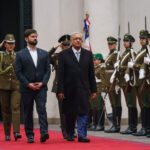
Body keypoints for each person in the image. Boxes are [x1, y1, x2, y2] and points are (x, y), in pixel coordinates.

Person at [57, 32, 97, 142]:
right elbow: (60, 75)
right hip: (69, 89)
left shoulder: (88, 54)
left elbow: (91, 74)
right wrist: (60, 90)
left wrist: (93, 90)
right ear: (71, 41)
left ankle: (82, 135)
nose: (78, 40)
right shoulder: (63, 55)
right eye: (75, 39)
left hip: (84, 88)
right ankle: (70, 133)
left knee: (84, 112)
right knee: (70, 113)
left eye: (80, 39)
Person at [15, 29, 50, 143]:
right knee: (28, 111)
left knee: (41, 109)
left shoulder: (44, 53)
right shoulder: (20, 54)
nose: (35, 38)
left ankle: (44, 132)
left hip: (41, 87)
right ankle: (30, 135)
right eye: (32, 36)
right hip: (27, 88)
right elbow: (18, 72)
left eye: (36, 36)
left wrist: (43, 82)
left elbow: (47, 70)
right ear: (26, 39)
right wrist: (27, 84)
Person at [48, 34, 74, 139]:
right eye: (64, 45)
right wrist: (54, 48)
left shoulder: (74, 56)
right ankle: (65, 131)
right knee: (63, 111)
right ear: (62, 45)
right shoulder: (56, 57)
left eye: (68, 45)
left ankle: (72, 130)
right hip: (60, 87)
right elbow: (46, 57)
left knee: (73, 110)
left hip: (73, 86)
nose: (67, 47)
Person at [127, 30, 150, 136]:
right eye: (140, 39)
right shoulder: (141, 51)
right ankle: (145, 127)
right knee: (143, 104)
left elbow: (144, 65)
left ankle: (146, 127)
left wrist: (134, 66)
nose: (141, 41)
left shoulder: (147, 51)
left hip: (145, 81)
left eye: (143, 39)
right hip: (138, 81)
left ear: (148, 40)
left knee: (145, 104)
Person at [0, 34, 21, 141]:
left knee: (15, 107)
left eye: (12, 43)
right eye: (8, 43)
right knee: (5, 110)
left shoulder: (18, 55)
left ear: (15, 44)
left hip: (16, 85)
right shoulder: (1, 54)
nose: (11, 45)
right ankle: (7, 133)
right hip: (3, 86)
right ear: (5, 44)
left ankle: (16, 131)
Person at [118, 34, 138, 134]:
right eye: (124, 41)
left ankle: (132, 126)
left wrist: (122, 68)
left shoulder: (132, 52)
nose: (125, 42)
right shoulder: (125, 53)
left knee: (131, 103)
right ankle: (131, 125)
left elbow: (132, 66)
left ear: (131, 42)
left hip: (129, 82)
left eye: (127, 41)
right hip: (123, 82)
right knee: (129, 104)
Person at [104, 36, 122, 133]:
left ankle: (117, 125)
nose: (110, 45)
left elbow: (117, 70)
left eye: (112, 44)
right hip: (109, 82)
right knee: (113, 103)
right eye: (109, 44)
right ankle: (114, 125)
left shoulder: (116, 54)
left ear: (115, 44)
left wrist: (116, 83)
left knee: (116, 103)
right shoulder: (110, 54)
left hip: (114, 83)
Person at [88, 53, 105, 131]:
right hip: (94, 87)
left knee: (99, 106)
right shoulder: (94, 67)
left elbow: (101, 78)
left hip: (99, 87)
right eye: (94, 60)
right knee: (93, 106)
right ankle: (94, 123)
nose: (95, 61)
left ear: (100, 60)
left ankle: (100, 124)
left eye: (97, 59)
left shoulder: (102, 67)